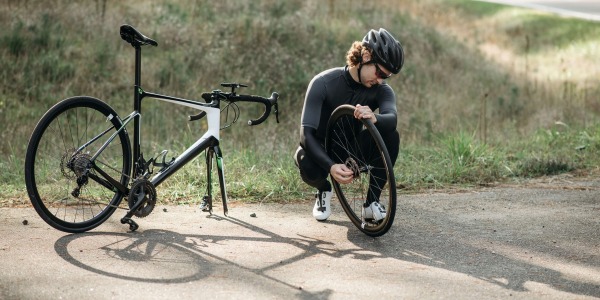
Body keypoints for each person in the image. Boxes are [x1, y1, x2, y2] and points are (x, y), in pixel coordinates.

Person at [294, 28, 404, 222]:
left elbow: (392, 117)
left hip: (349, 151)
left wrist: (375, 117)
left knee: (391, 135)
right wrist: (330, 167)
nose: (380, 80)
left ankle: (371, 203)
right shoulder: (323, 82)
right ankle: (323, 190)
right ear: (366, 55)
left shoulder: (381, 90)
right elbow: (305, 135)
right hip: (320, 152)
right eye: (379, 72)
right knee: (304, 158)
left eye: (385, 77)